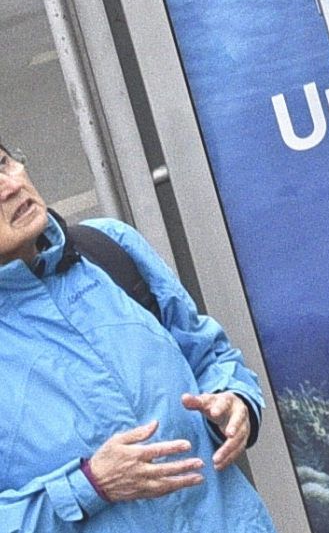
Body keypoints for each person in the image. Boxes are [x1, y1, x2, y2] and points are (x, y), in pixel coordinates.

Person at [1, 135, 274, 533]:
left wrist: (234, 403)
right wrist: (89, 486)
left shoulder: (107, 247)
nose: (10, 186)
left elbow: (211, 357)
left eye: (4, 162)